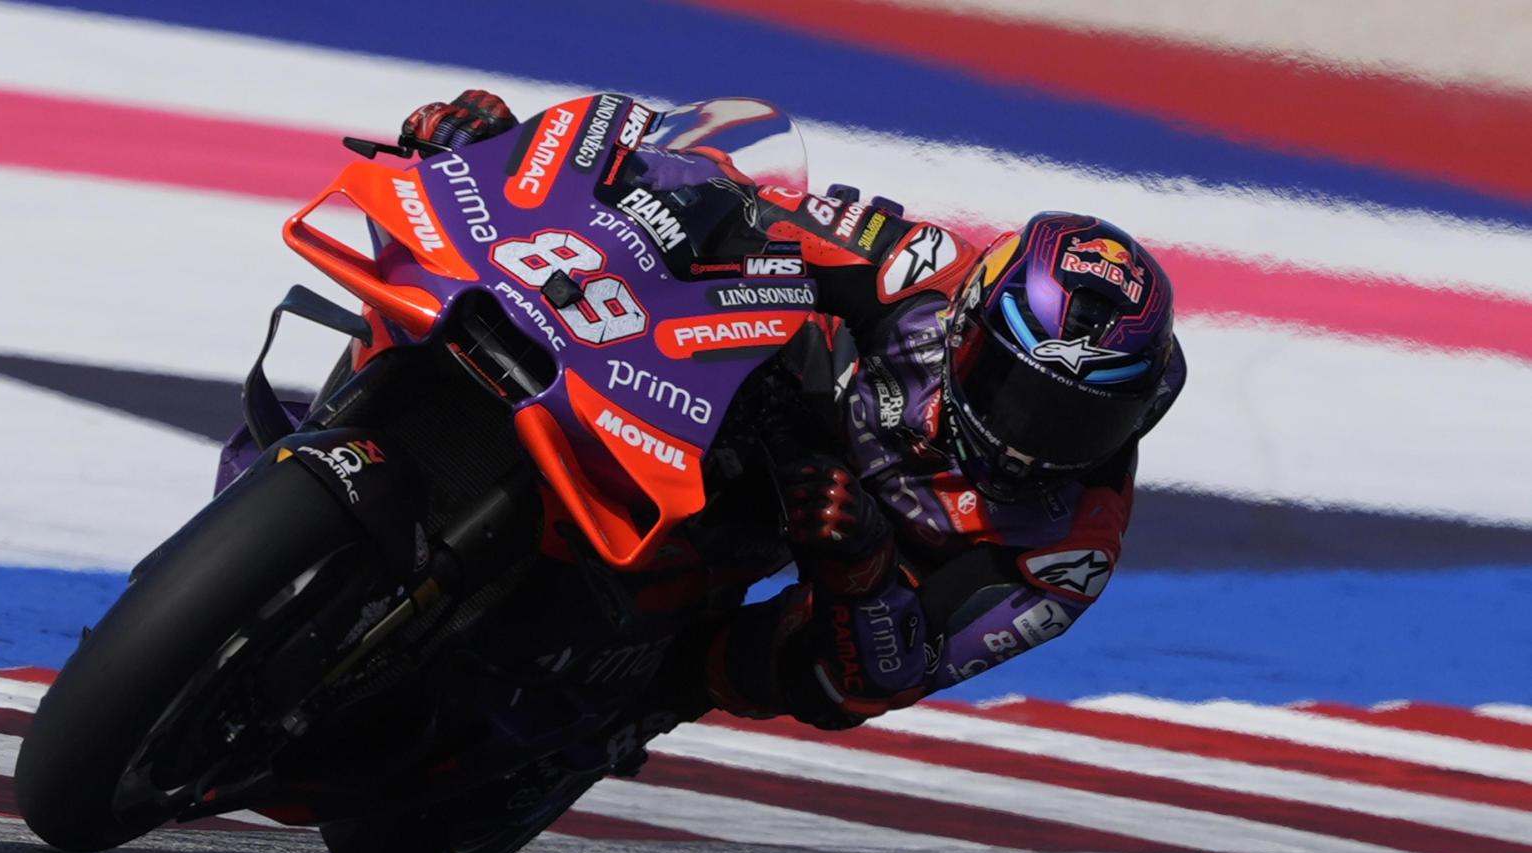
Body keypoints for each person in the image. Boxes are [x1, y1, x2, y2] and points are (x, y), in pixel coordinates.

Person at [403, 90, 1186, 732]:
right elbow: (735, 202)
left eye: (1077, 421)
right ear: (968, 324)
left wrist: (864, 563)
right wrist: (505, 152)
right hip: (728, 391)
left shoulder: (1068, 552)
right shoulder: (918, 270)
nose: (1030, 439)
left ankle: (623, 718)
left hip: (830, 549)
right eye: (1018, 393)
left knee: (791, 674)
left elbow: (897, 674)